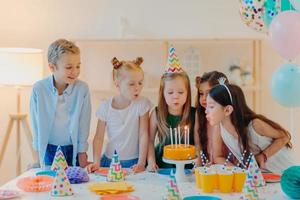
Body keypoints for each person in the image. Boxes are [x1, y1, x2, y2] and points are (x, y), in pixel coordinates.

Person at [207, 80, 295, 174]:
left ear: (228, 110)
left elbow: (285, 136)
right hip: (261, 176)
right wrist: (238, 171)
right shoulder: (218, 127)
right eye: (207, 106)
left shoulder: (255, 125)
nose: (206, 111)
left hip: (284, 171)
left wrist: (263, 155)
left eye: (211, 107)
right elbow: (218, 157)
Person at [30, 39, 91, 168]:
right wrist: (37, 158)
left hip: (72, 149)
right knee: (51, 184)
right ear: (52, 67)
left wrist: (82, 153)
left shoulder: (82, 89)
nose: (75, 71)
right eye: (69, 67)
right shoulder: (39, 89)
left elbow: (84, 123)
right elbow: (35, 125)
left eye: (78, 66)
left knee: (75, 184)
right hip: (48, 149)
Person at [87, 57, 152, 173]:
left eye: (140, 83)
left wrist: (141, 163)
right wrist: (96, 161)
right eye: (131, 84)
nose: (137, 87)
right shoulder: (105, 106)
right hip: (109, 161)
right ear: (117, 84)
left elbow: (144, 134)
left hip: (135, 162)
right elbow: (99, 137)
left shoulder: (142, 104)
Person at [147, 46, 195, 171]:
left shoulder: (194, 114)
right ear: (162, 93)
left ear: (187, 93)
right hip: (161, 165)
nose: (175, 97)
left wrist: (199, 162)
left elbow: (200, 143)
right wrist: (151, 161)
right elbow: (150, 140)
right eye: (170, 92)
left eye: (180, 92)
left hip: (188, 167)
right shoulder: (156, 114)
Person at [194, 71, 229, 167]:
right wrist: (199, 160)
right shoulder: (199, 113)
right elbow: (197, 142)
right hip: (207, 165)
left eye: (209, 93)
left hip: (226, 164)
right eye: (201, 94)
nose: (204, 98)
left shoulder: (226, 114)